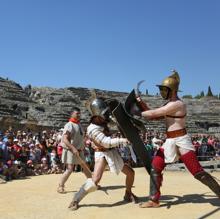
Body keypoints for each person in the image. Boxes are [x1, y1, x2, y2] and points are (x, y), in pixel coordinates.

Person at [133, 70, 220, 208]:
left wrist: (135, 112)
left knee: (198, 172)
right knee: (155, 167)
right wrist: (139, 102)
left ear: (172, 90)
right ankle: (154, 200)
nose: (162, 92)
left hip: (181, 141)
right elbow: (155, 116)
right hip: (170, 141)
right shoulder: (169, 105)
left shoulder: (178, 104)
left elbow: (154, 113)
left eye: (164, 89)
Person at [68, 98, 138, 210]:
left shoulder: (103, 121)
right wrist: (123, 140)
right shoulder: (92, 128)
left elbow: (118, 124)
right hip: (101, 154)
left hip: (112, 153)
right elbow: (106, 143)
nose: (107, 115)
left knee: (130, 173)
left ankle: (128, 194)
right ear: (97, 115)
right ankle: (76, 199)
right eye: (104, 113)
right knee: (94, 181)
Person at [57, 107, 92, 193]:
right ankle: (60, 186)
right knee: (69, 169)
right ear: (72, 114)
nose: (79, 115)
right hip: (70, 150)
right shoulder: (69, 125)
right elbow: (64, 139)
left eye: (79, 113)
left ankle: (93, 183)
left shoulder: (79, 124)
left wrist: (83, 145)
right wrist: (73, 148)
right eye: (77, 113)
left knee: (85, 167)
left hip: (79, 150)